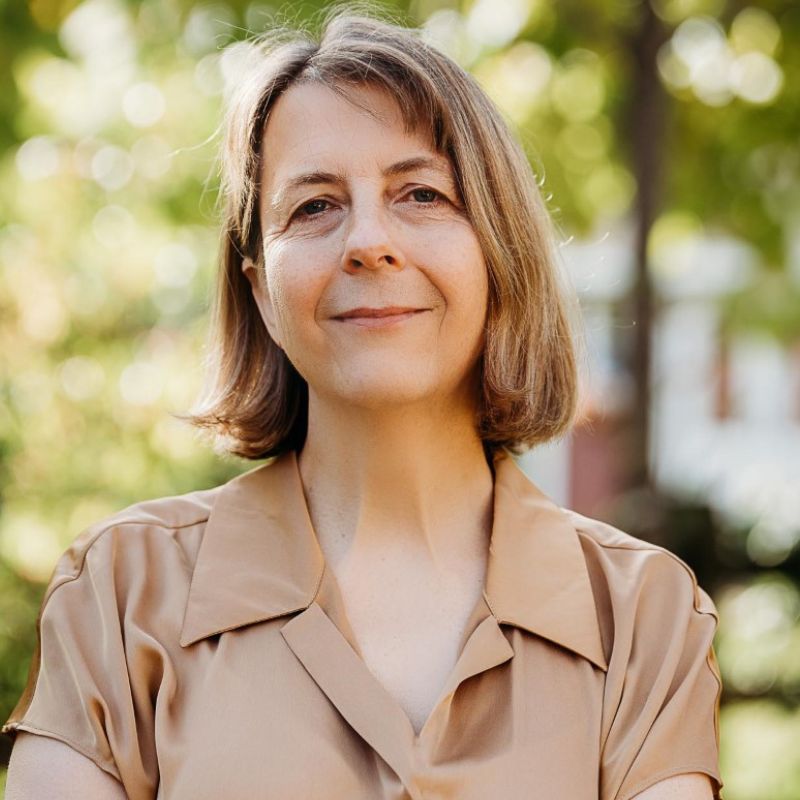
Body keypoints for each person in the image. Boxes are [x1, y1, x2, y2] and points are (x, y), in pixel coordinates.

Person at [3, 8, 724, 800]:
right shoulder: (119, 592)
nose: (367, 241)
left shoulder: (642, 616)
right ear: (259, 288)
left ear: (498, 250)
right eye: (313, 205)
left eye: (421, 193)